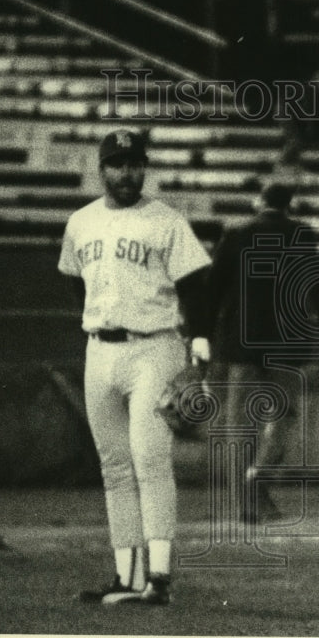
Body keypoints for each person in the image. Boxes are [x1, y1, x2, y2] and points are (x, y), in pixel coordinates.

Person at [58, 129, 212, 606]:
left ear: (144, 168)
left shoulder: (166, 220)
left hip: (154, 347)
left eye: (134, 164)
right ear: (101, 169)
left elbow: (198, 284)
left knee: (150, 458)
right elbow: (75, 281)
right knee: (114, 467)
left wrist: (199, 348)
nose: (126, 173)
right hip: (100, 349)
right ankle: (126, 576)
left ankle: (159, 577)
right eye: (117, 164)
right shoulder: (80, 222)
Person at [205, 182, 319, 524]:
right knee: (283, 416)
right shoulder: (301, 235)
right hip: (286, 344)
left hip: (241, 343)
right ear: (289, 205)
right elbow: (316, 286)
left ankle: (243, 505)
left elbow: (213, 288)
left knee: (239, 426)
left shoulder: (236, 235)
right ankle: (259, 473)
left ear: (258, 202)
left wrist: (202, 334)